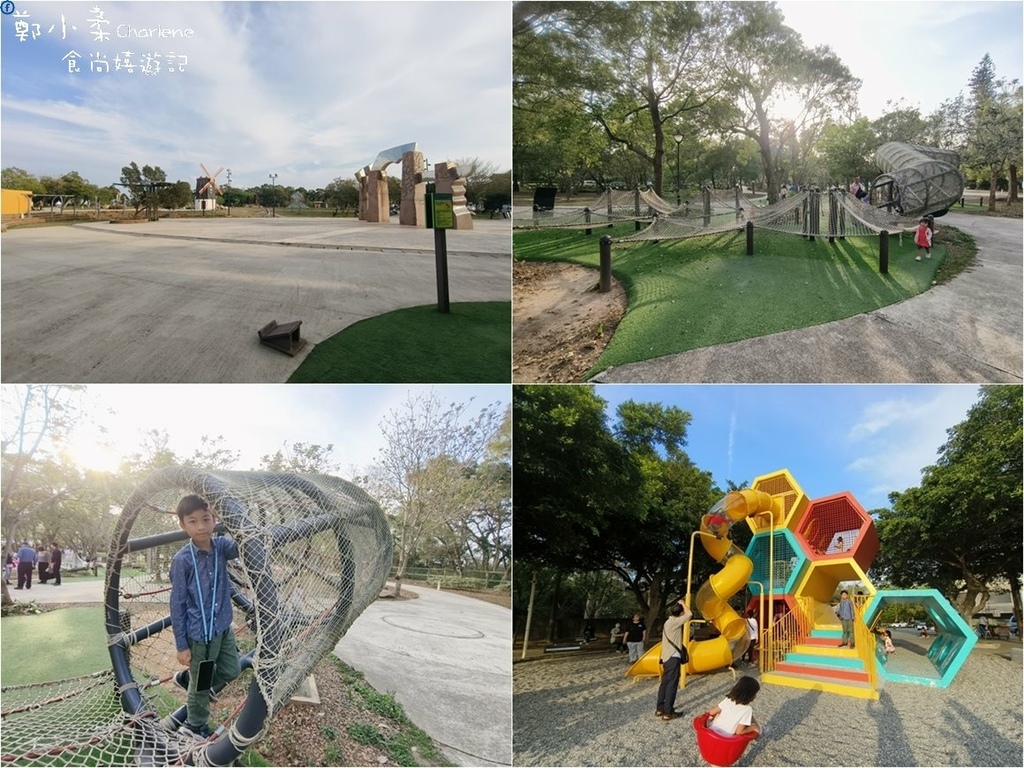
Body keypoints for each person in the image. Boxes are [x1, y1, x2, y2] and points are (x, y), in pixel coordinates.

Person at [170, 495, 242, 741]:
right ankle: (195, 725)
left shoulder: (221, 547)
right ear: (183, 525)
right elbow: (177, 604)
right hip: (200, 636)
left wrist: (232, 514)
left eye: (206, 519)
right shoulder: (183, 560)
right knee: (201, 687)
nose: (201, 526)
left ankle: (188, 679)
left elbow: (242, 543)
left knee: (232, 670)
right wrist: (181, 645)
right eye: (193, 521)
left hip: (222, 628)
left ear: (215, 520)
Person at [656, 599, 692, 721]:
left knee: (665, 683)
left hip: (666, 656)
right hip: (673, 656)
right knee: (672, 684)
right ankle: (668, 712)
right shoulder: (676, 622)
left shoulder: (668, 622)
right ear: (680, 613)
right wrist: (683, 603)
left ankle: (660, 708)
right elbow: (690, 614)